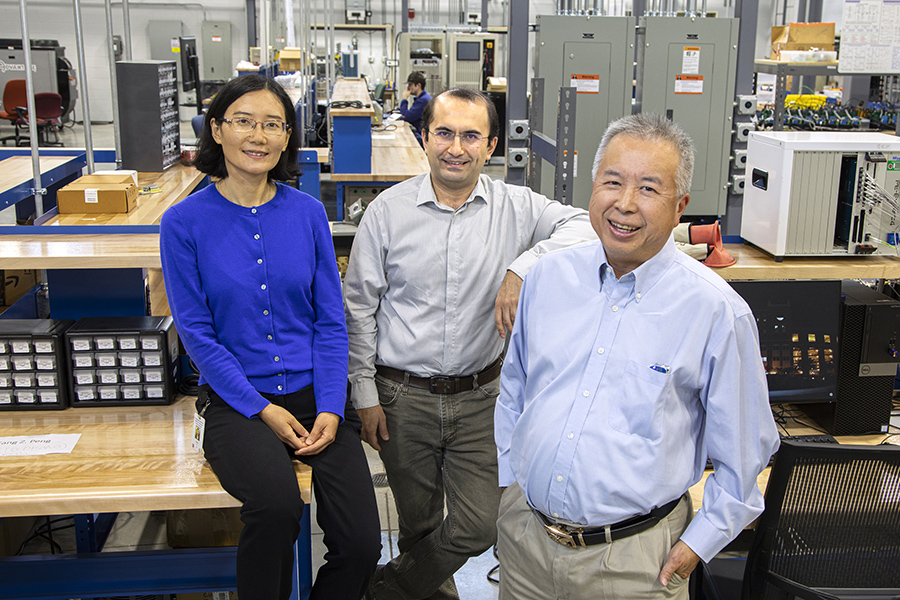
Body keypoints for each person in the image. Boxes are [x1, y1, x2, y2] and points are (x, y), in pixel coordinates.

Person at [494, 113, 780, 600]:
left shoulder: (715, 313)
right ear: (592, 189)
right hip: (527, 547)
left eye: (649, 189)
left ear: (679, 207)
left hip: (635, 565)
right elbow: (516, 389)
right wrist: (511, 484)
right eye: (612, 182)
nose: (624, 204)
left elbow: (746, 454)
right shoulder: (547, 279)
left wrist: (698, 544)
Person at [343, 87, 596, 600]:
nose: (455, 147)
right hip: (401, 397)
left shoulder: (518, 207)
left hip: (482, 397)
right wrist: (364, 395)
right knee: (416, 525)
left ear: (491, 145)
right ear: (424, 138)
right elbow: (359, 309)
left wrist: (522, 266)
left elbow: (584, 226)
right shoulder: (388, 212)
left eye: (470, 136)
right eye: (444, 133)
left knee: (481, 524)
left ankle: (386, 590)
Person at [159, 74, 381, 600]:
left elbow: (330, 320)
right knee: (277, 507)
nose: (257, 136)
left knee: (361, 542)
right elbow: (197, 334)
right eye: (243, 122)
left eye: (272, 125)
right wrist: (261, 408)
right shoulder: (183, 222)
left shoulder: (306, 213)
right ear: (216, 130)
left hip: (317, 397)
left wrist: (330, 405)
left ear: (287, 139)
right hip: (239, 404)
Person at [397, 71, 431, 144]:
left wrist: (404, 98)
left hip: (420, 137)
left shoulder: (423, 100)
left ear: (418, 85)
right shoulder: (422, 98)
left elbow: (406, 117)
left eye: (410, 85)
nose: (408, 88)